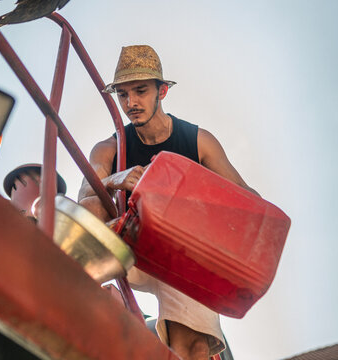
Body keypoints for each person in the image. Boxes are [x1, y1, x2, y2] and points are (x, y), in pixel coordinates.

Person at [78, 45, 258, 360]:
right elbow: (84, 202)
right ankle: (63, 299)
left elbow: (248, 199)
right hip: (128, 249)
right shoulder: (109, 149)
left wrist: (195, 190)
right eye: (122, 95)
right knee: (89, 206)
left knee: (194, 348)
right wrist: (115, 179)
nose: (130, 103)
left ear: (162, 92)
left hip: (181, 252)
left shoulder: (197, 141)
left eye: (140, 91)